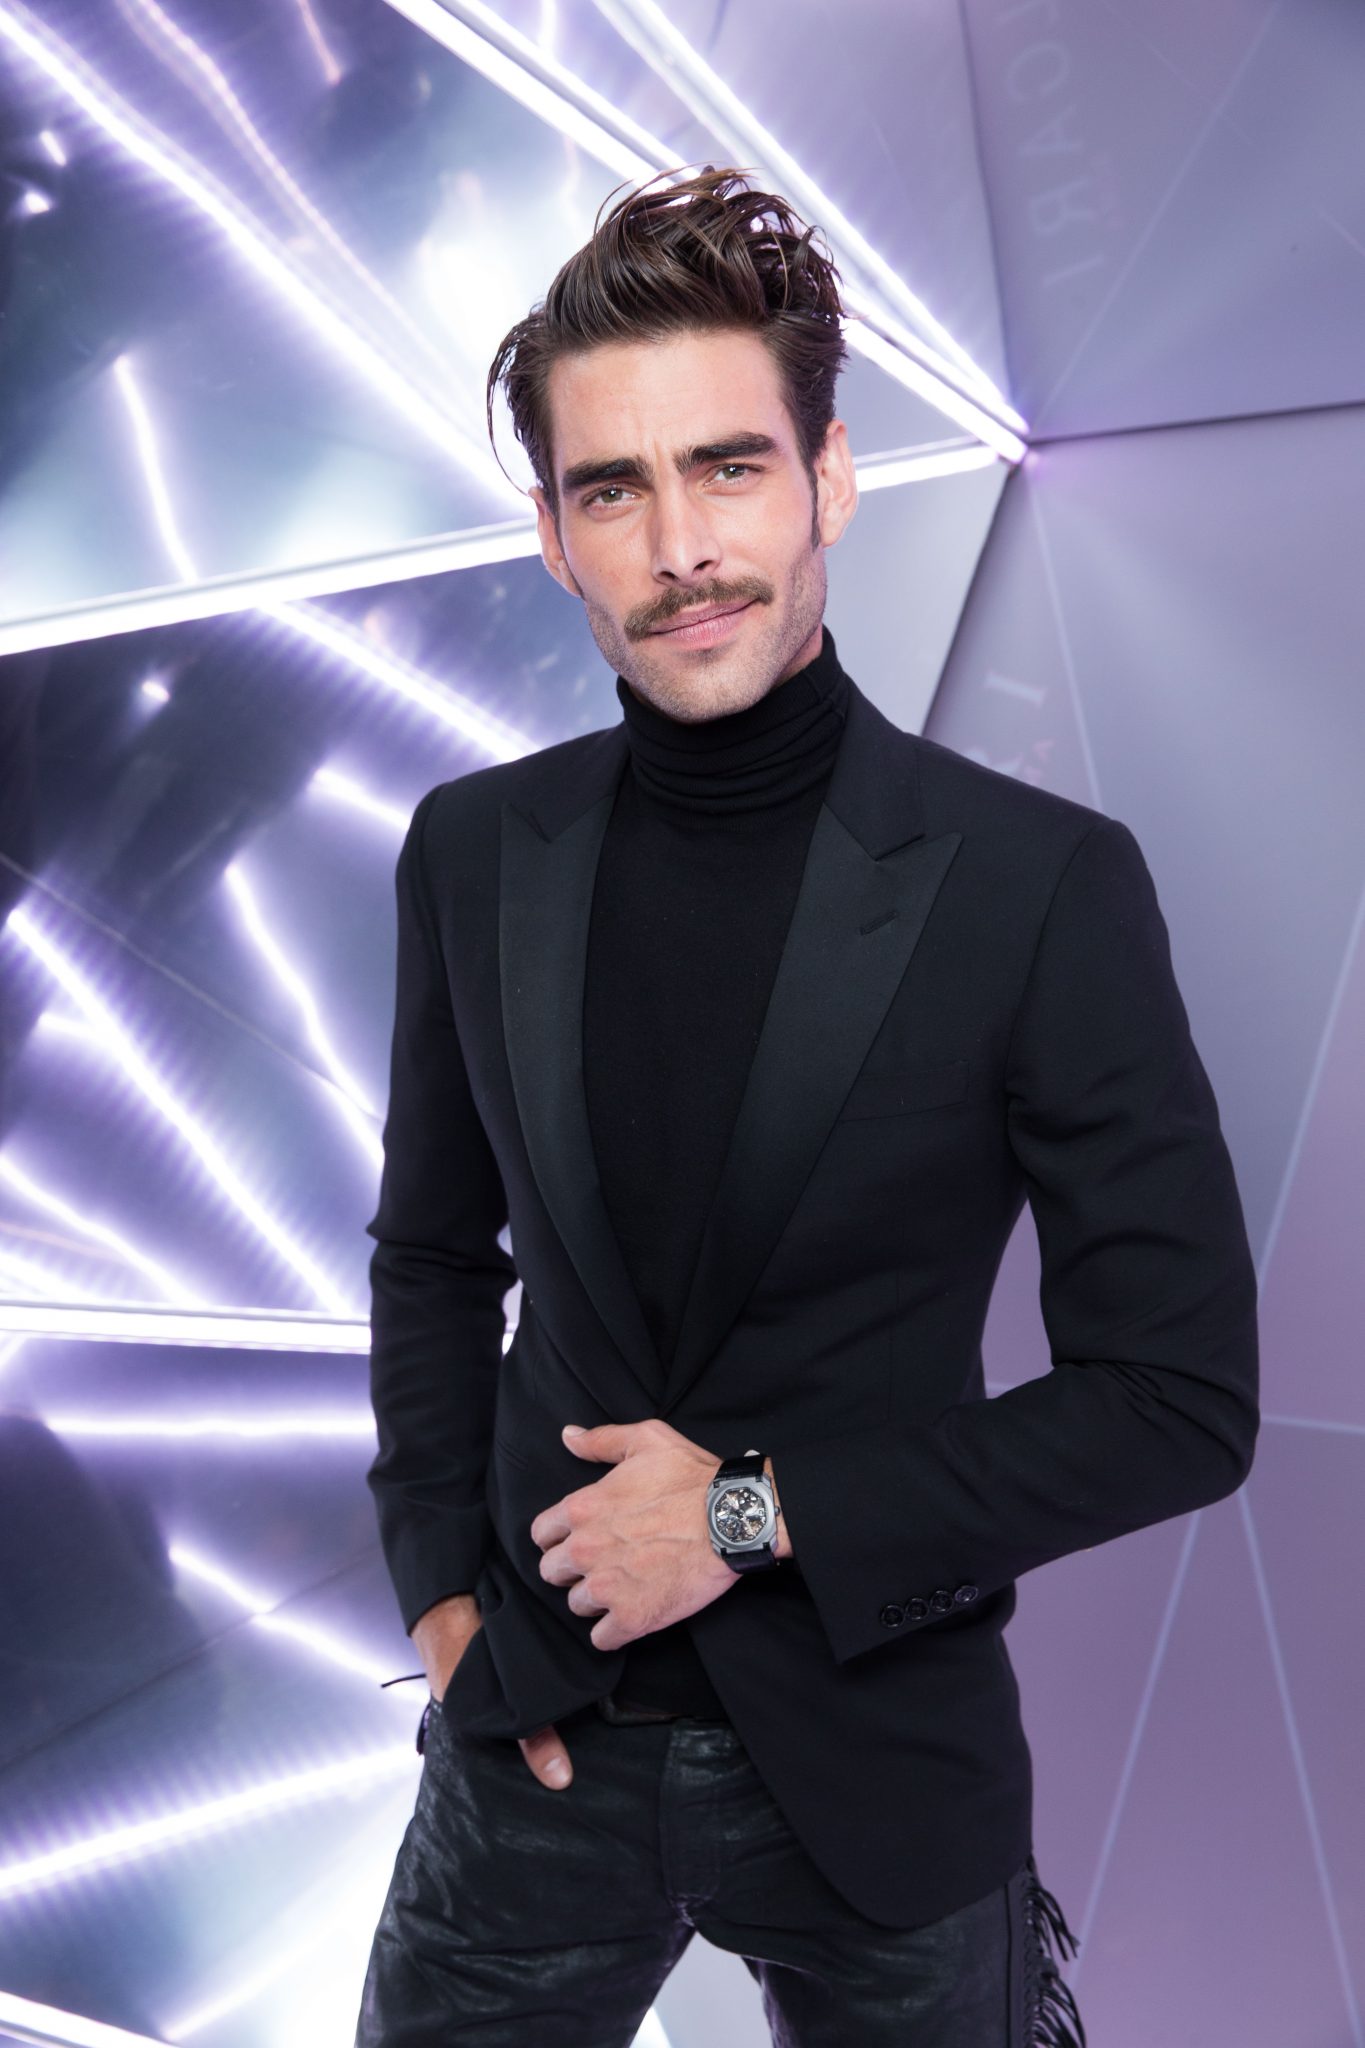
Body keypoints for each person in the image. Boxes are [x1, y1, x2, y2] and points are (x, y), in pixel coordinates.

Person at [354, 166, 1258, 2046]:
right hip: (535, 1746)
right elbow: (433, 1253)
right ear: (554, 535)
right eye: (616, 488)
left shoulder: (1036, 886)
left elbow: (1175, 1401)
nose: (682, 544)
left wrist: (748, 1513)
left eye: (729, 467)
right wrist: (438, 1589)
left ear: (828, 479)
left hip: (883, 1766)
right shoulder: (472, 851)